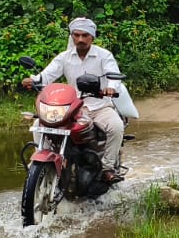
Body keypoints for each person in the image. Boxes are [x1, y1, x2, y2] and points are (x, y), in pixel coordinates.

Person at [20, 17, 125, 181]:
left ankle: (107, 169)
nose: (80, 39)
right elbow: (47, 75)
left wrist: (111, 87)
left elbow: (114, 76)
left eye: (85, 35)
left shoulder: (104, 56)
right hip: (73, 108)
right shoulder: (64, 57)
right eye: (76, 35)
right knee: (39, 124)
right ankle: (45, 161)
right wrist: (34, 80)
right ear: (72, 36)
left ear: (92, 37)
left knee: (116, 127)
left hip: (99, 106)